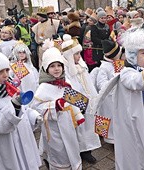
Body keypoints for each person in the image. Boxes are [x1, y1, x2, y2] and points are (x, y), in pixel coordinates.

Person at [96, 28, 144, 169]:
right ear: (132, 54)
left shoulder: (140, 69)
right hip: (135, 122)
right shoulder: (127, 73)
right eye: (143, 53)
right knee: (138, 154)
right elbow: (139, 82)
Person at [31, 45, 83, 169]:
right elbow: (36, 108)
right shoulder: (43, 88)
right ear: (46, 68)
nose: (56, 69)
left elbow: (71, 101)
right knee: (59, 151)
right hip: (54, 128)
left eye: (59, 65)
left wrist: (78, 114)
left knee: (71, 146)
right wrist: (54, 106)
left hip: (68, 125)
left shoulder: (65, 83)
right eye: (52, 66)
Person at [0, 50, 42, 170]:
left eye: (6, 70)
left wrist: (33, 115)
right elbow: (0, 125)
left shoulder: (9, 88)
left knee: (27, 159)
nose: (6, 75)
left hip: (23, 134)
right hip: (8, 143)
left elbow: (24, 109)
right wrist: (13, 106)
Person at [61, 34, 101, 164]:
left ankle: (88, 150)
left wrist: (94, 99)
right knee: (79, 130)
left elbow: (88, 83)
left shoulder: (81, 66)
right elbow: (68, 89)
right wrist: (79, 105)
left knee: (89, 128)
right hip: (77, 106)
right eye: (76, 54)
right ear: (68, 56)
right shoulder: (65, 70)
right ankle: (80, 151)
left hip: (88, 103)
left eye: (79, 53)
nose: (79, 56)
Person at [95, 39, 124, 144]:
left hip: (117, 97)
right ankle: (107, 137)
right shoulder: (104, 67)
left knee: (116, 118)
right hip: (108, 99)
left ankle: (115, 136)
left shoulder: (118, 63)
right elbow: (101, 84)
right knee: (107, 117)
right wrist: (113, 87)